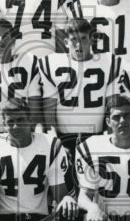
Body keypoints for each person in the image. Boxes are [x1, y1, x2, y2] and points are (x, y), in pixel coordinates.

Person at [37, 17, 124, 151]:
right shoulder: (51, 63)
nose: (79, 45)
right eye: (74, 40)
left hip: (97, 137)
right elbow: (49, 110)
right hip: (64, 138)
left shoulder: (109, 62)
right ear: (66, 42)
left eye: (83, 38)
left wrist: (107, 138)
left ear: (91, 40)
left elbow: (111, 106)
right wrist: (55, 141)